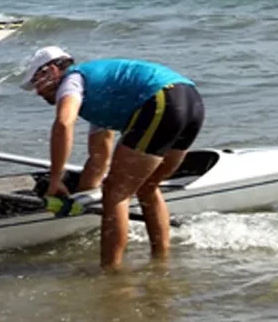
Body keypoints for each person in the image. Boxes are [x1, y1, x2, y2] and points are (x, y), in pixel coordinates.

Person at [21, 46, 205, 270]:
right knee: (147, 186)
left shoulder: (72, 81)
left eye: (37, 83)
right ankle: (161, 261)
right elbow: (99, 158)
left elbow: (63, 124)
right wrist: (80, 198)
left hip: (160, 99)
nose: (38, 92)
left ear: (51, 71)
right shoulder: (101, 92)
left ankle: (111, 272)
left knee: (115, 192)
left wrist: (55, 180)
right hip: (191, 101)